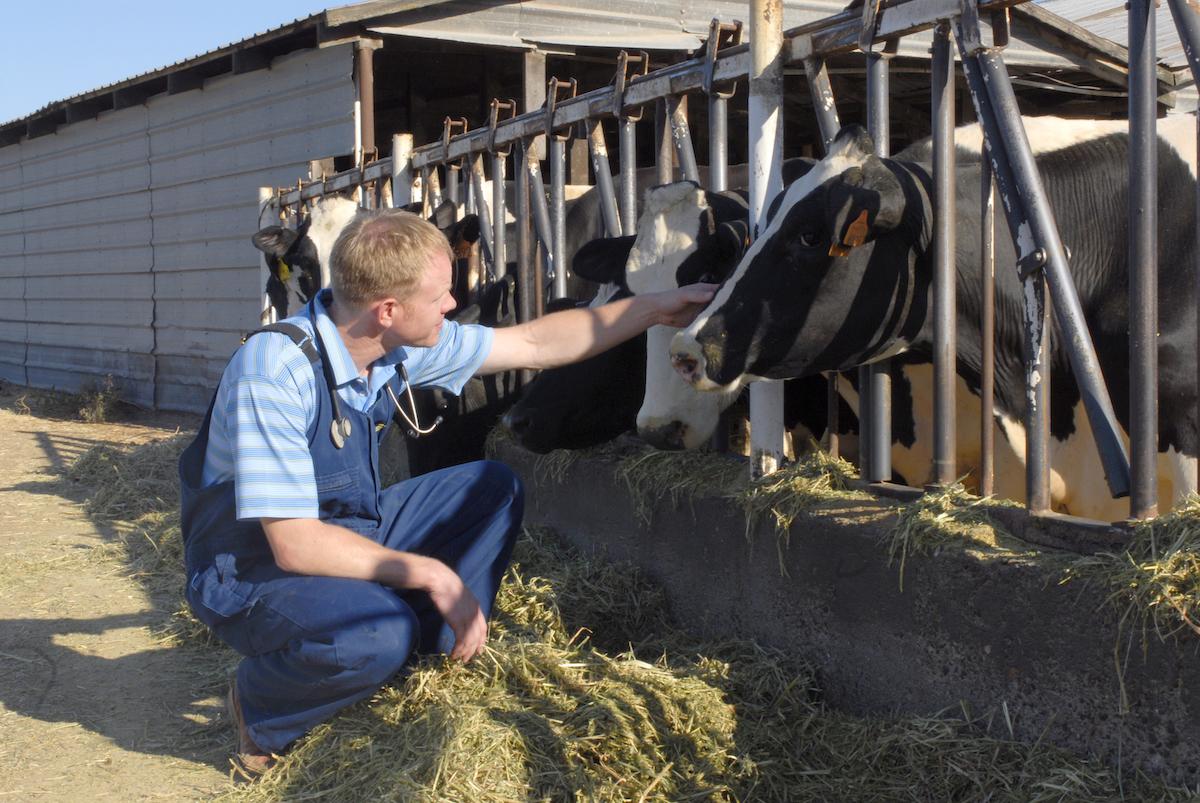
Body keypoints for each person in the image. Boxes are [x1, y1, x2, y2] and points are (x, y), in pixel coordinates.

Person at [178, 208, 715, 776]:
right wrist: (434, 574)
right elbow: (293, 546)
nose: (452, 305)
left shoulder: (390, 344)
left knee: (490, 488)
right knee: (371, 637)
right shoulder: (275, 371)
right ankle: (263, 707)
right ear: (388, 310)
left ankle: (429, 652)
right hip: (247, 565)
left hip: (345, 528)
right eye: (441, 295)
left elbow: (533, 343)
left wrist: (659, 307)